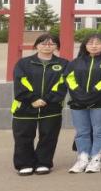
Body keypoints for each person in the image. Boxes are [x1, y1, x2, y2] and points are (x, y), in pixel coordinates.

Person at [11, 33, 68, 176]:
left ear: (56, 46)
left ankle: (43, 163)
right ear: (36, 45)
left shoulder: (64, 64)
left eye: (51, 43)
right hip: (25, 106)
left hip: (51, 106)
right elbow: (21, 81)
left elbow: (62, 84)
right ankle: (25, 164)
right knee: (23, 136)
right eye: (43, 43)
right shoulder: (23, 63)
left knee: (49, 136)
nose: (47, 46)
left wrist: (47, 99)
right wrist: (33, 99)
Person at [63, 34, 101, 174]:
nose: (94, 46)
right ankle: (83, 157)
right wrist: (79, 94)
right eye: (90, 43)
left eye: (98, 43)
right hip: (78, 102)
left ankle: (97, 158)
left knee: (100, 131)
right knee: (82, 132)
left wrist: (93, 93)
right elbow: (69, 78)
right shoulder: (75, 62)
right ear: (85, 46)